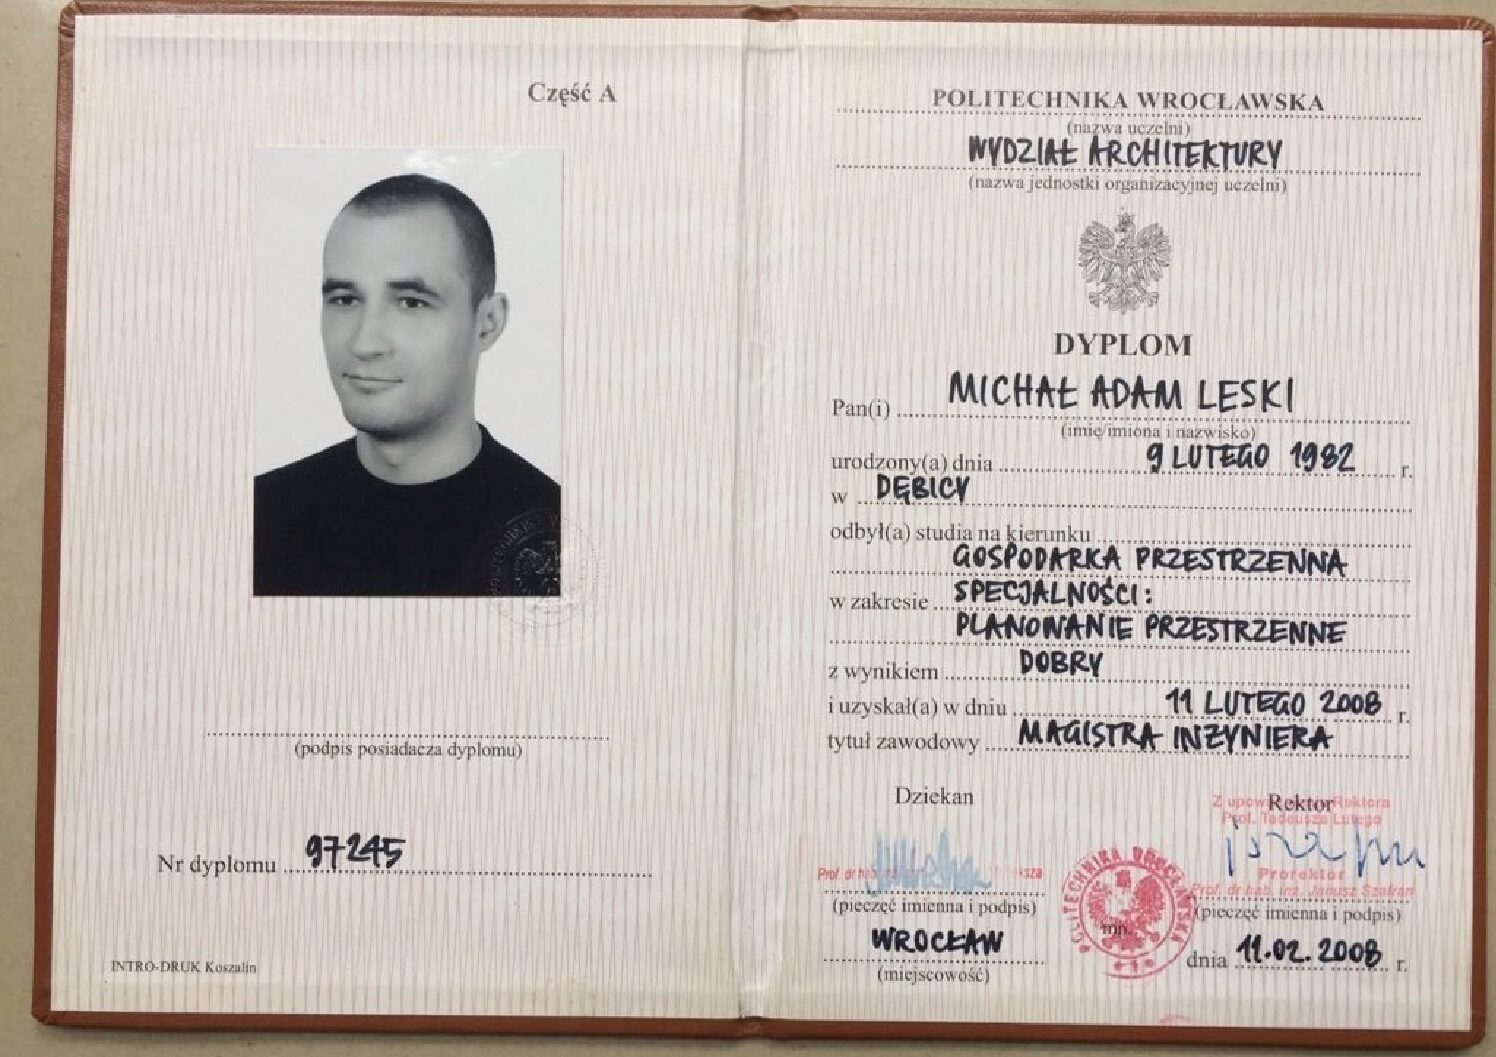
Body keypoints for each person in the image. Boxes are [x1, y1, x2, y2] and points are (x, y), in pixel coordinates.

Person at [254, 173, 560, 596]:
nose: (365, 343)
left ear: (488, 323)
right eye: (345, 299)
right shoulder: (256, 518)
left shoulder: (559, 536)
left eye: (411, 303)